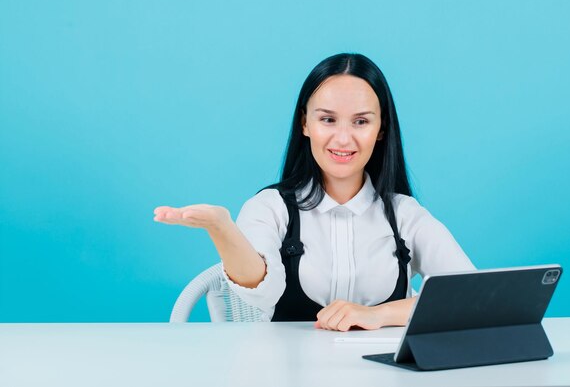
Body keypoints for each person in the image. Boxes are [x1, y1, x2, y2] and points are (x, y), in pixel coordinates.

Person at [154, 53, 475, 331]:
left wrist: (378, 315)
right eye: (328, 120)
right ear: (305, 124)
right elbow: (260, 289)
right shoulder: (270, 208)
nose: (343, 138)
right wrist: (221, 228)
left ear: (381, 130)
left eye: (361, 121)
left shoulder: (404, 215)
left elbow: (469, 294)